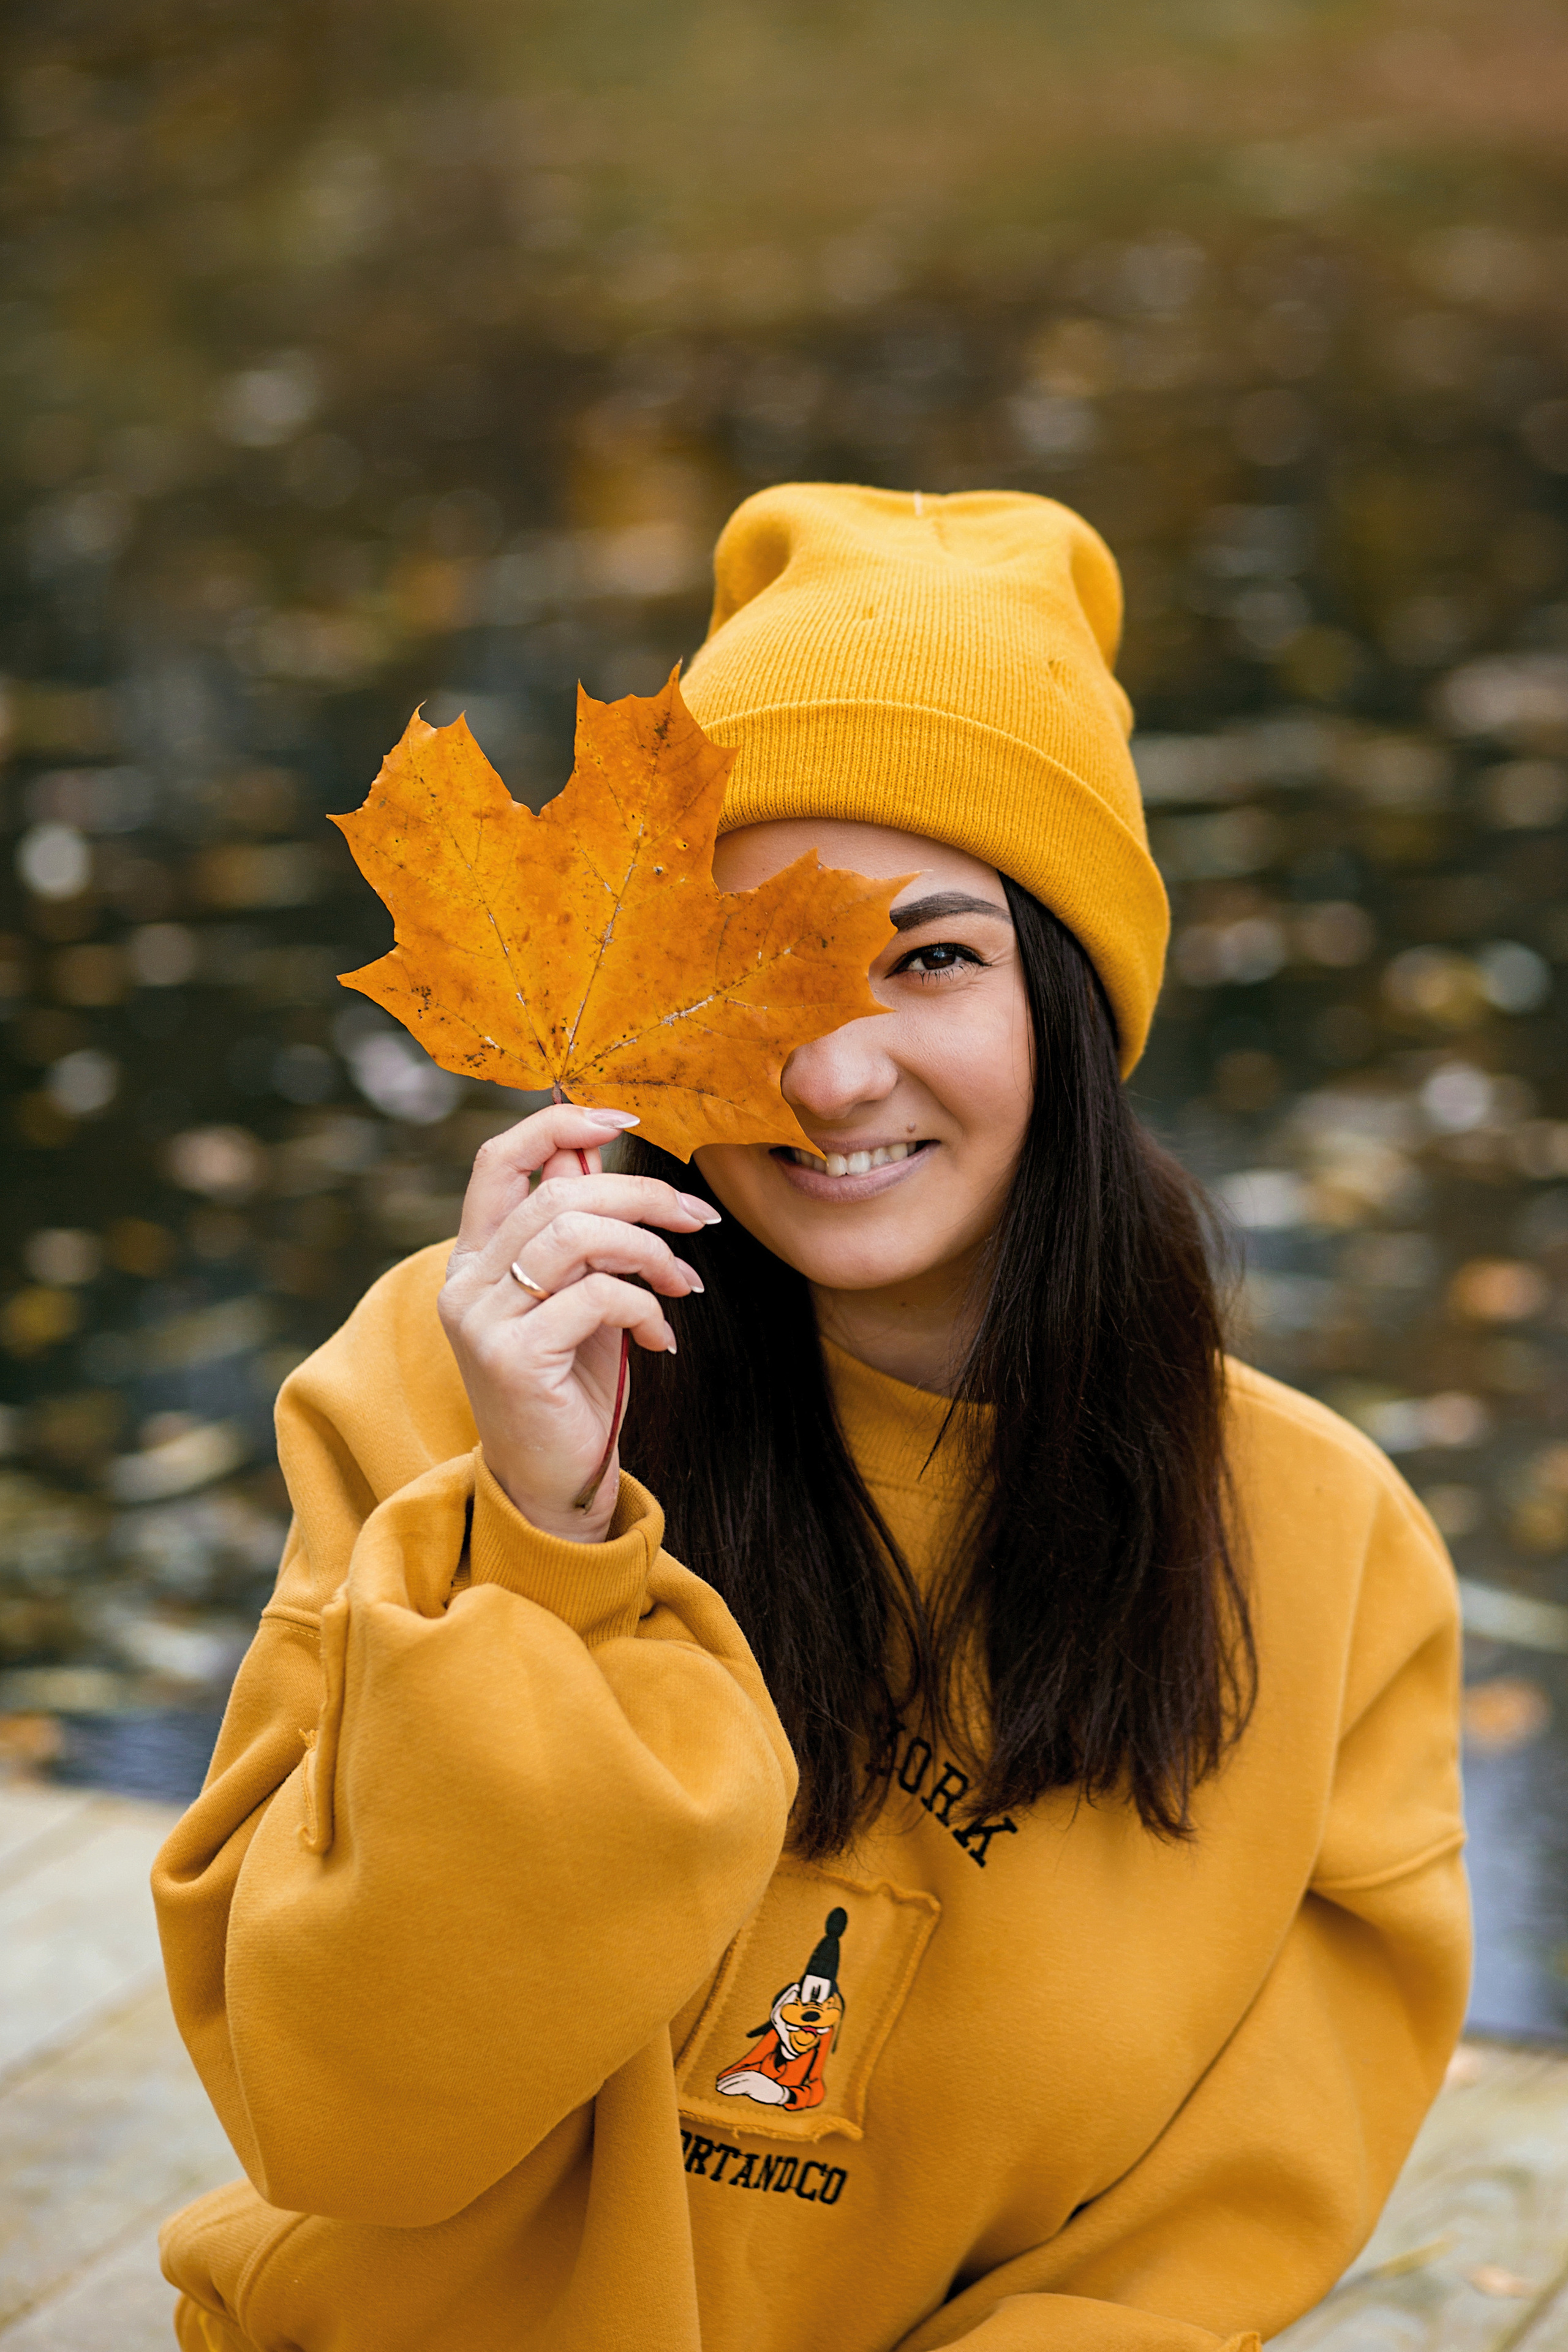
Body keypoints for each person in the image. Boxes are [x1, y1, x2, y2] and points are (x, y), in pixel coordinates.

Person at [153, 484, 1468, 2352]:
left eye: (932, 958)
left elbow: (1184, 2263)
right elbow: (345, 2120)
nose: (839, 1071)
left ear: (1070, 1004)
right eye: (761, 966)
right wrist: (540, 1545)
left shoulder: (1325, 1557)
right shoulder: (440, 1387)